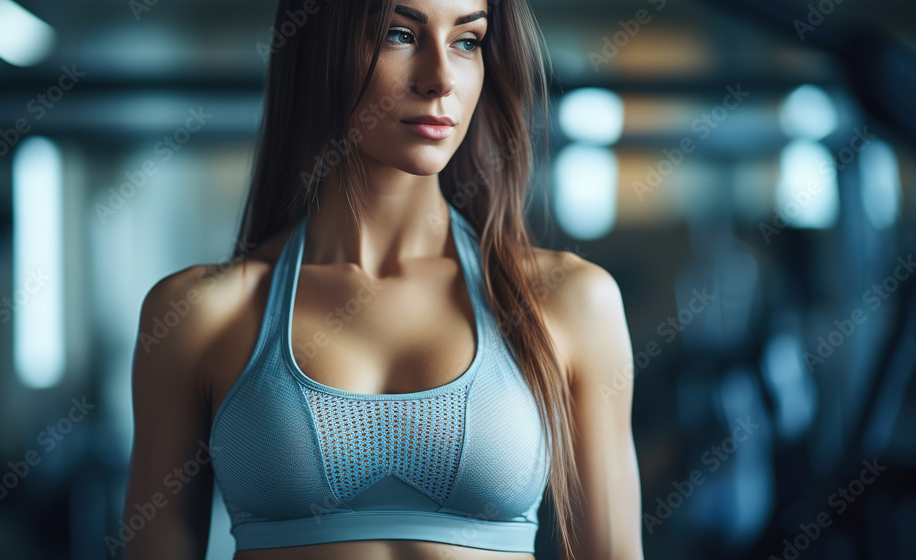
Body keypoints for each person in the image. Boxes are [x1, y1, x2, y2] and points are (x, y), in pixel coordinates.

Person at [122, 0, 644, 559]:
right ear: (318, 48)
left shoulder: (569, 301)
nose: (441, 78)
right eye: (399, 34)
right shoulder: (200, 313)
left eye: (467, 41)